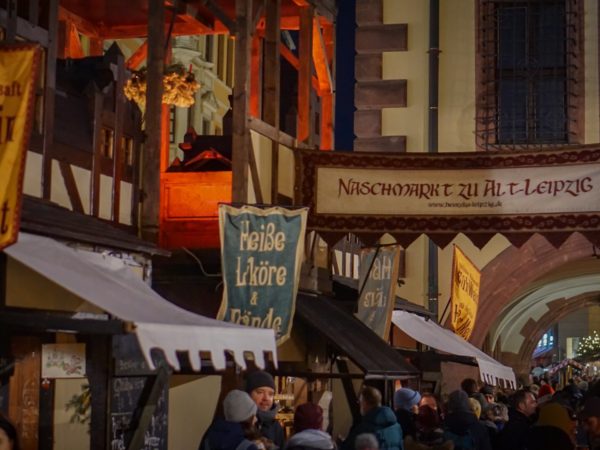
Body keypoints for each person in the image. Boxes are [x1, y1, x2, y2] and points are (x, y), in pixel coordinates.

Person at [342, 386, 403, 450]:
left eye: (360, 401)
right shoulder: (396, 426)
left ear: (365, 403)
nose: (359, 404)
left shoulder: (363, 430)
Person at [245, 370, 285, 449]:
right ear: (248, 394)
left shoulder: (276, 426)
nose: (266, 398)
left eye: (270, 394)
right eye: (260, 392)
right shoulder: (241, 423)